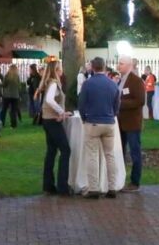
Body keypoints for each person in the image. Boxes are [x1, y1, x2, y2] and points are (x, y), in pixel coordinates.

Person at [77, 56, 120, 198]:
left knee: (92, 155)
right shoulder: (112, 84)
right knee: (110, 155)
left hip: (93, 121)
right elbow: (117, 103)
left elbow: (81, 104)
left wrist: (84, 118)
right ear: (104, 67)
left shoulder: (88, 84)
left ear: (93, 68)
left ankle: (94, 188)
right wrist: (112, 115)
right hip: (109, 122)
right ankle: (112, 187)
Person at [37, 61, 72, 195]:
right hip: (52, 121)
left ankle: (49, 185)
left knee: (51, 151)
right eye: (61, 67)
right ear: (57, 69)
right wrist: (61, 112)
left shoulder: (48, 83)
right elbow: (50, 100)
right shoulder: (53, 84)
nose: (62, 70)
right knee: (65, 150)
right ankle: (63, 186)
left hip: (47, 120)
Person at [116, 55, 146, 192]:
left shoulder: (136, 81)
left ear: (129, 65)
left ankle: (135, 181)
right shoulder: (120, 80)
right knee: (119, 151)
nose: (118, 65)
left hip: (132, 123)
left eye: (121, 63)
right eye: (119, 63)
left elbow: (140, 101)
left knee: (135, 152)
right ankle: (119, 180)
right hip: (120, 122)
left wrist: (120, 104)